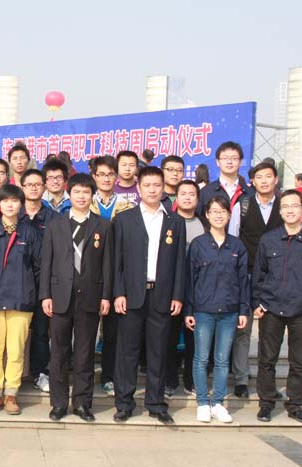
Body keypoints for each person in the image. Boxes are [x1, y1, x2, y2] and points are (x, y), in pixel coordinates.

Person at [111, 166, 186, 423]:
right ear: (139, 188)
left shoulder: (175, 221)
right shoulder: (124, 220)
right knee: (127, 352)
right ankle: (124, 403)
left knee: (158, 352)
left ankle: (156, 403)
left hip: (162, 296)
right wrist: (118, 293)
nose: (152, 190)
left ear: (163, 188)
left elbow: (179, 262)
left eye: (157, 185)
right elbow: (117, 261)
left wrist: (177, 295)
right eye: (147, 185)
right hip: (131, 295)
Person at [254, 190, 302, 425]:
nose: (290, 210)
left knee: (298, 361)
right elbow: (259, 274)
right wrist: (256, 301)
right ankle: (266, 403)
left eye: (294, 206)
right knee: (266, 359)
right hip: (271, 308)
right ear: (279, 211)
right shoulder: (269, 239)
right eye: (285, 206)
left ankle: (295, 405)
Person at [40, 173, 113, 422]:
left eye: (86, 192)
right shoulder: (55, 224)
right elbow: (46, 262)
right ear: (69, 194)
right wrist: (45, 295)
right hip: (60, 296)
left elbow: (107, 265)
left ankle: (82, 403)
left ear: (92, 195)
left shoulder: (103, 226)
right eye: (77, 192)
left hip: (90, 297)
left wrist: (106, 296)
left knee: (85, 353)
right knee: (58, 352)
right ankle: (59, 403)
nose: (81, 196)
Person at [0, 184, 41, 416]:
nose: (10, 205)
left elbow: (38, 266)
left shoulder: (30, 233)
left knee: (15, 351)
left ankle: (11, 395)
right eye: (5, 201)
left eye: (14, 201)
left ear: (21, 204)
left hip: (20, 301)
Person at [185, 196, 249, 423]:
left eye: (222, 211)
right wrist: (189, 311)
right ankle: (203, 402)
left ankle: (219, 403)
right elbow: (190, 280)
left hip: (229, 311)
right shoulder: (198, 245)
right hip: (203, 311)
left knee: (222, 360)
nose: (218, 215)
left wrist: (244, 310)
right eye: (214, 211)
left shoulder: (237, 246)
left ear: (229, 215)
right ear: (207, 215)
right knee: (201, 358)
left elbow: (243, 280)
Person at [227, 161, 283, 399]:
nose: (264, 181)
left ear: (276, 179)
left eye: (268, 176)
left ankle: (266, 382)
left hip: (277, 277)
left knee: (271, 333)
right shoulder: (243, 206)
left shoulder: (284, 205)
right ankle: (241, 378)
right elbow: (232, 240)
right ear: (252, 181)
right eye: (259, 177)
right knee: (243, 330)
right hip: (247, 275)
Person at [89, 155, 133, 397]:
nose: (106, 179)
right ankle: (84, 375)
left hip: (116, 274)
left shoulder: (127, 207)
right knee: (85, 331)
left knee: (113, 332)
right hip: (88, 275)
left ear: (116, 177)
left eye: (110, 174)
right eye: (101, 174)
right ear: (94, 176)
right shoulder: (86, 204)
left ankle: (108, 376)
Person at [164, 180, 205, 398]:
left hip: (197, 290)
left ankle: (191, 381)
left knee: (193, 339)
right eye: (183, 194)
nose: (188, 197)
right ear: (176, 198)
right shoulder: (167, 222)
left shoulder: (204, 223)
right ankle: (169, 381)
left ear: (197, 198)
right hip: (170, 288)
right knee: (169, 337)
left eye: (192, 194)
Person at [19, 168, 57, 393]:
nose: (33, 188)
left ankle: (40, 372)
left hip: (44, 283)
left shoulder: (54, 218)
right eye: (29, 184)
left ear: (44, 187)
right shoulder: (14, 215)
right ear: (22, 187)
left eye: (38, 184)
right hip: (17, 283)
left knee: (42, 332)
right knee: (16, 331)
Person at [198, 141, 251, 217]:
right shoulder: (205, 192)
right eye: (225, 158)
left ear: (240, 162)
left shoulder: (250, 193)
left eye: (234, 158)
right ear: (217, 162)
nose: (229, 162)